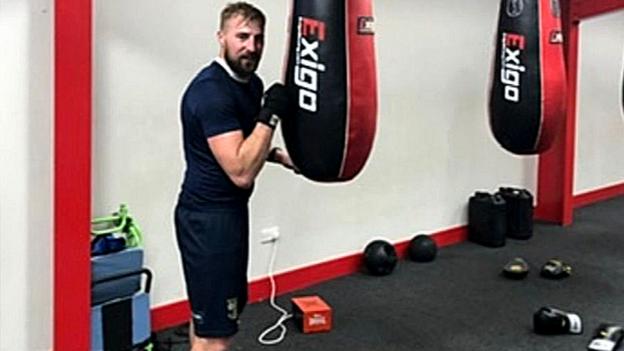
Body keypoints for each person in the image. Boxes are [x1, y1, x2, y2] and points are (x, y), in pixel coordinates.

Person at [174, 2, 295, 350]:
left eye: (259, 38)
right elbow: (241, 171)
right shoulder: (211, 92)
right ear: (221, 37)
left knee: (213, 320)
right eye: (242, 36)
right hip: (208, 220)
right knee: (216, 334)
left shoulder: (249, 83)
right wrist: (269, 115)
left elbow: (242, 145)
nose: (251, 47)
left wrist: (282, 156)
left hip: (228, 215)